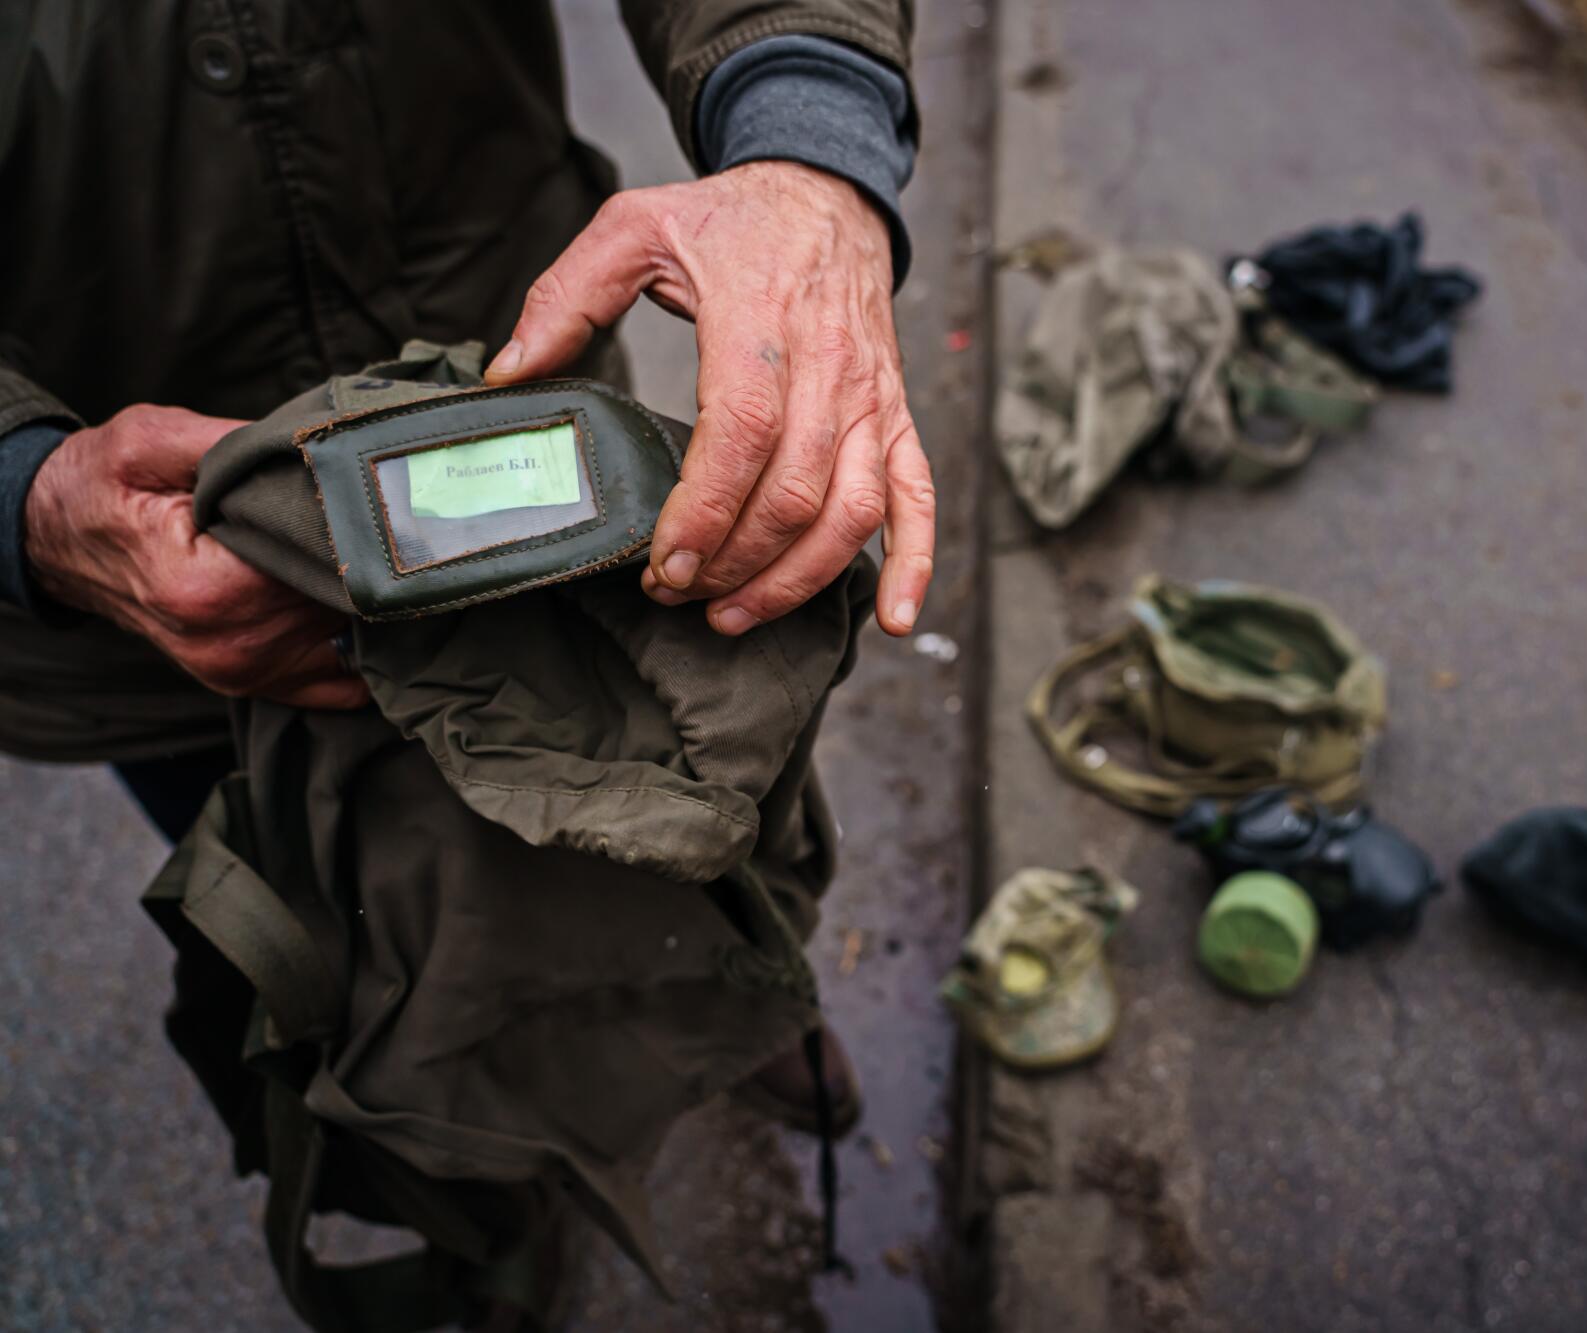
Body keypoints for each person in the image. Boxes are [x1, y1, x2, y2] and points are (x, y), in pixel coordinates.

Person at [0, 0, 927, 1138]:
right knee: (352, 924)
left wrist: (806, 147)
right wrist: (23, 492)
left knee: (665, 813)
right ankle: (468, 1167)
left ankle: (726, 1004)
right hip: (151, 588)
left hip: (536, 436)